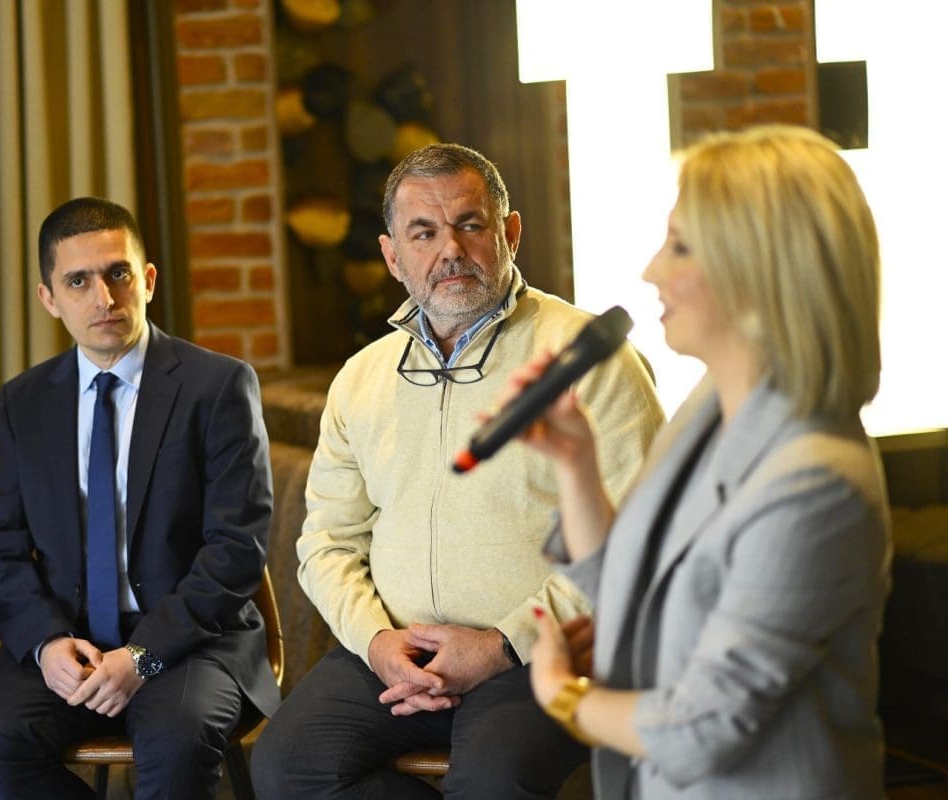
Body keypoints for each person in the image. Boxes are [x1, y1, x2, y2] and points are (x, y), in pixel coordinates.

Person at [251, 143, 665, 799]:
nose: (450, 249)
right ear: (392, 256)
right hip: (396, 652)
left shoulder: (585, 359)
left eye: (470, 224)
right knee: (286, 767)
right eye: (423, 232)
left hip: (540, 653)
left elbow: (639, 540)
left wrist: (501, 644)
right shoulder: (361, 379)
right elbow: (326, 541)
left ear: (510, 233)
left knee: (493, 781)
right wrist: (376, 641)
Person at [513, 125, 890, 798]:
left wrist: (561, 695)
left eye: (681, 246)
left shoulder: (817, 483)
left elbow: (701, 728)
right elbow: (630, 591)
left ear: (760, 271)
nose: (651, 270)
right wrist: (575, 463)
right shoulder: (707, 408)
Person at [0, 197, 279, 799]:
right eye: (78, 281)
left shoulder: (217, 386)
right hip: (71, 638)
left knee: (176, 742)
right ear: (49, 298)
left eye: (118, 274)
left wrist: (143, 655)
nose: (103, 298)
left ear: (148, 280)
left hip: (192, 642)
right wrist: (46, 643)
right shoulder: (24, 402)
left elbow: (237, 549)